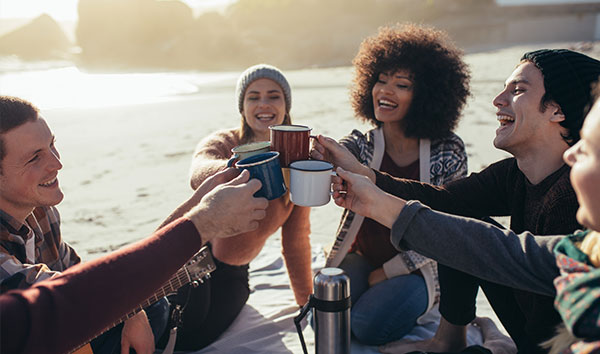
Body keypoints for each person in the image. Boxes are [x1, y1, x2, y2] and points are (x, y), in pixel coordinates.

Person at [314, 49, 600, 353]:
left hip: (553, 341)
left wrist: (379, 205)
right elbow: (445, 201)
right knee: (460, 222)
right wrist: (366, 176)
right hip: (527, 322)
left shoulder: (577, 198)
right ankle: (449, 339)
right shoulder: (513, 175)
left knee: (468, 241)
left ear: (557, 110)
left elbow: (507, 255)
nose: (498, 99)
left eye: (517, 90)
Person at [310, 23, 470, 345]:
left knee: (367, 326)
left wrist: (387, 273)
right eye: (380, 80)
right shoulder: (364, 144)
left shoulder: (448, 151)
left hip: (417, 269)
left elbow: (448, 228)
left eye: (402, 85)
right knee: (323, 317)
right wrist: (318, 157)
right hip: (361, 255)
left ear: (425, 94)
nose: (385, 91)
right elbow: (343, 151)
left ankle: (420, 300)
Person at [0, 166, 270, 354]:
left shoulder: (42, 211)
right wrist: (202, 218)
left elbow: (77, 273)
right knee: (168, 309)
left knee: (158, 307)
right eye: (34, 156)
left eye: (52, 145)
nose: (56, 163)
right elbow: (65, 302)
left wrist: (132, 308)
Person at [158, 64, 312, 351]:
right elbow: (198, 172)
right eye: (253, 97)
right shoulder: (225, 143)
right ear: (242, 106)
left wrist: (307, 303)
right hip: (193, 258)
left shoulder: (296, 163)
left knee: (197, 342)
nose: (263, 104)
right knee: (177, 325)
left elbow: (296, 243)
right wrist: (249, 169)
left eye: (273, 96)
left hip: (235, 273)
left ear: (285, 105)